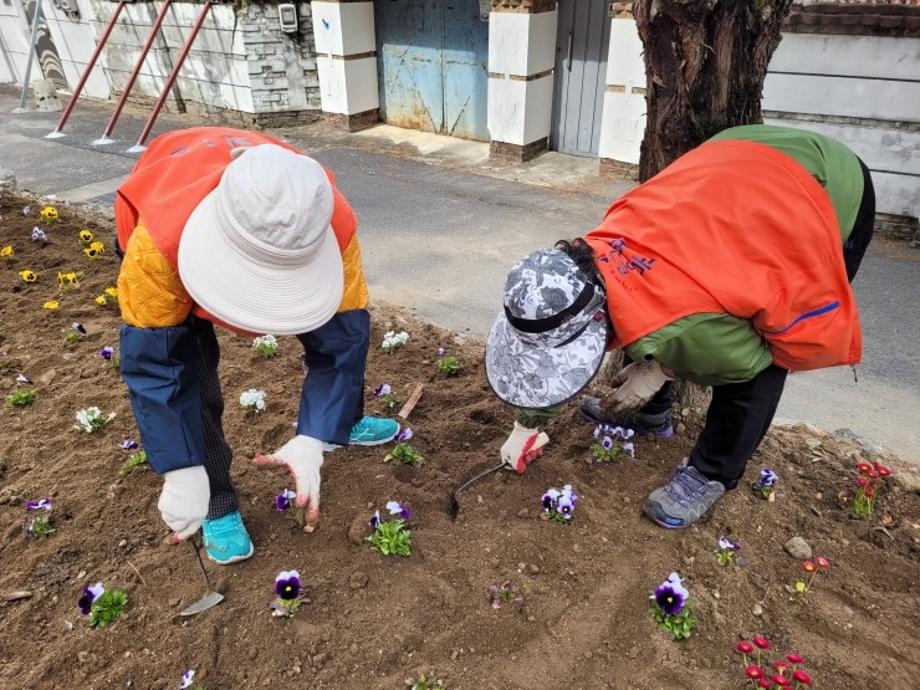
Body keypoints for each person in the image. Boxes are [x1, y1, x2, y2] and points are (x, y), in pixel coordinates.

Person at [486, 124, 875, 528]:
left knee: (761, 358)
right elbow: (605, 319)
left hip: (826, 189)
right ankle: (653, 416)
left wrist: (660, 369)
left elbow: (751, 359)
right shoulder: (596, 257)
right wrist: (525, 427)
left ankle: (713, 473)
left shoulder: (689, 325)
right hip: (741, 164)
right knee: (651, 320)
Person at [114, 127, 399, 564]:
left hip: (271, 215)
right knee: (193, 373)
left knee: (344, 332)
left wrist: (312, 439)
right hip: (174, 207)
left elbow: (342, 341)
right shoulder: (157, 245)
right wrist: (180, 469)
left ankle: (340, 425)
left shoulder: (329, 221)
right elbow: (158, 367)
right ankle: (216, 500)